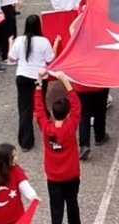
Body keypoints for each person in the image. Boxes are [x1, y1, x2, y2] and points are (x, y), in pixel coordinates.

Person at [34, 70, 82, 224]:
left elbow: (39, 109)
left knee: (56, 209)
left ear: (53, 113)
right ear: (67, 114)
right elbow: (77, 105)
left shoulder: (46, 128)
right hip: (71, 174)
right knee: (72, 205)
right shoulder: (70, 127)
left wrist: (39, 84)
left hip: (54, 177)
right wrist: (65, 81)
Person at [8, 15, 54, 152]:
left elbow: (11, 58)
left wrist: (10, 43)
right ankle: (50, 134)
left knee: (24, 108)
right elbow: (50, 59)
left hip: (22, 76)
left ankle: (25, 143)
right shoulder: (44, 41)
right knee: (39, 104)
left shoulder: (19, 40)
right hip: (39, 77)